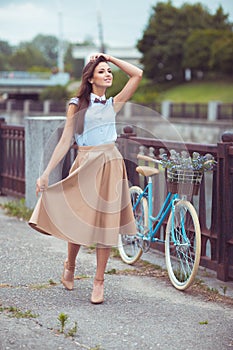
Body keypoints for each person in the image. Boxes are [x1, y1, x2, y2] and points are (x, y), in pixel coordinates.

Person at [29, 53, 143, 304]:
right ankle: (70, 265)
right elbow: (65, 139)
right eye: (102, 71)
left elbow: (137, 74)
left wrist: (110, 58)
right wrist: (46, 173)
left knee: (106, 224)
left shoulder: (114, 103)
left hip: (111, 164)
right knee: (78, 218)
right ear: (90, 78)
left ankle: (99, 282)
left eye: (109, 71)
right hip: (84, 163)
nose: (108, 74)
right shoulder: (76, 104)